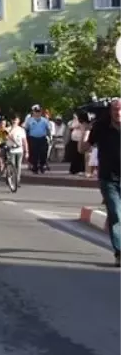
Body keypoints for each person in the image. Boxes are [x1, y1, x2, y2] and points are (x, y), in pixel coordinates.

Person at [81, 99, 121, 266]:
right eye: (115, 110)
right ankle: (119, 252)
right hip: (108, 178)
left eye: (120, 110)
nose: (118, 113)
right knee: (116, 214)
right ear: (110, 111)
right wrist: (85, 130)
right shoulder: (101, 127)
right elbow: (83, 148)